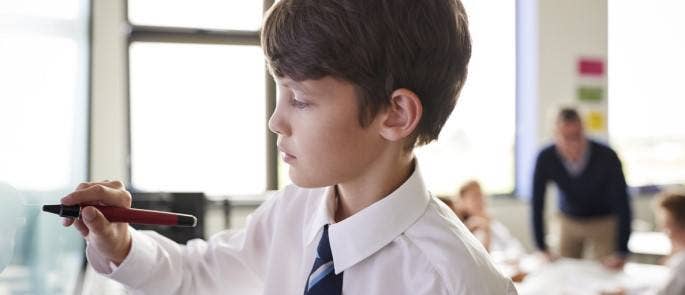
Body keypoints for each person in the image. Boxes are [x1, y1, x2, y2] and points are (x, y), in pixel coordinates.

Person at [59, 0, 517, 294]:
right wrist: (119, 243)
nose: (276, 120)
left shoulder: (457, 283)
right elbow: (200, 275)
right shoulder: (297, 208)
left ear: (395, 115)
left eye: (300, 99)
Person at [531, 108, 632, 268]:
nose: (573, 143)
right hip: (568, 221)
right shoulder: (546, 158)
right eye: (566, 137)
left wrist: (622, 250)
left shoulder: (607, 156)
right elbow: (537, 203)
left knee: (603, 275)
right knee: (564, 272)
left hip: (603, 222)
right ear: (555, 135)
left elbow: (623, 202)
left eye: (577, 136)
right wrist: (541, 247)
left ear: (584, 130)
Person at [452, 180, 525, 258]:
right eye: (474, 197)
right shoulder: (463, 228)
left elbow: (514, 246)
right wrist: (486, 231)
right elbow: (481, 259)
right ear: (462, 201)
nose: (480, 200)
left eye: (481, 196)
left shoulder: (492, 222)